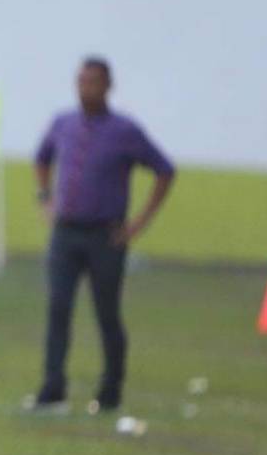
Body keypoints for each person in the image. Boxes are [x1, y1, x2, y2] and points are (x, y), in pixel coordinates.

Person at [24, 57, 175, 416]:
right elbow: (42, 158)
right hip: (65, 232)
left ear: (108, 86)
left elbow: (164, 170)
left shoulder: (125, 131)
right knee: (58, 307)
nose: (86, 89)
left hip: (106, 235)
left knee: (106, 312)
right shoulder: (63, 123)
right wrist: (45, 198)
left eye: (94, 82)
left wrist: (137, 224)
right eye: (81, 81)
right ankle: (52, 388)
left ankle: (110, 390)